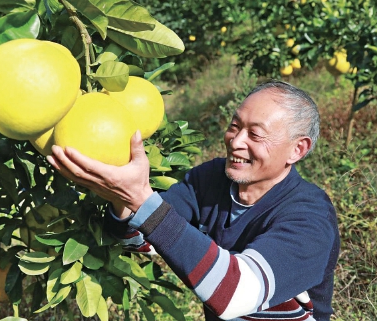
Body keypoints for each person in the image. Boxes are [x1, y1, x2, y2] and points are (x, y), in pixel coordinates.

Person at [47, 80, 340, 321]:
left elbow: (236, 294)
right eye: (235, 126)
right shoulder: (211, 179)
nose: (236, 141)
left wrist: (140, 196)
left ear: (297, 150)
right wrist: (121, 197)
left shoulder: (310, 217)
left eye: (255, 134)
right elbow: (141, 238)